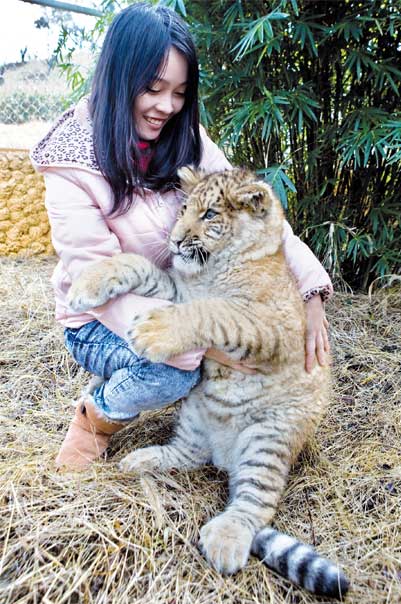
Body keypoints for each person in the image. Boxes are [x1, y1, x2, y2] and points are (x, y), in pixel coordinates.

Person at [31, 3, 333, 471]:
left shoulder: (185, 132)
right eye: (153, 89)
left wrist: (311, 290)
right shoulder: (72, 160)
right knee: (174, 371)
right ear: (119, 77)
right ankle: (96, 418)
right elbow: (99, 282)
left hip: (176, 296)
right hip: (96, 316)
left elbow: (253, 215)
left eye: (179, 93)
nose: (167, 107)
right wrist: (202, 342)